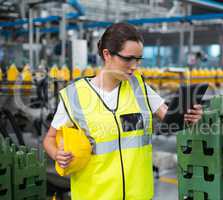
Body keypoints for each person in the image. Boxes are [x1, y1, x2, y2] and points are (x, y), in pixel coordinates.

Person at [43, 23, 203, 200]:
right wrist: (57, 154)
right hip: (96, 195)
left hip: (139, 195)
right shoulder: (74, 95)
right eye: (128, 59)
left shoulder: (139, 88)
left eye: (138, 59)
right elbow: (50, 139)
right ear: (107, 54)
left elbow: (171, 117)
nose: (134, 66)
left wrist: (190, 118)